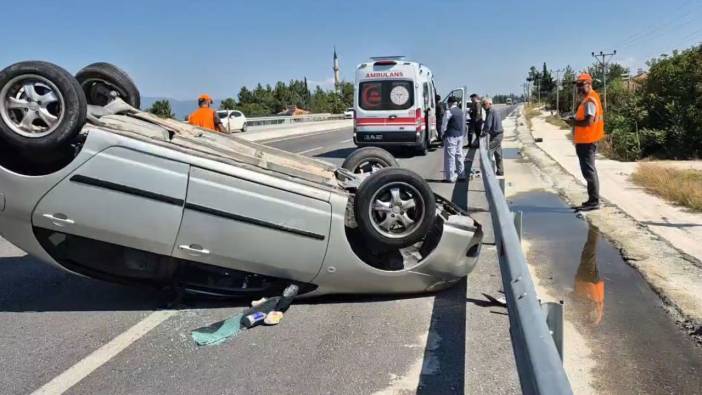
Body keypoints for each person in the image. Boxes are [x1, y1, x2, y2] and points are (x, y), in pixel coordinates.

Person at [567, 73, 604, 211]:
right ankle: (592, 200)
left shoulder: (590, 100)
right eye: (578, 85)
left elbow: (588, 121)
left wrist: (573, 122)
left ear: (588, 83)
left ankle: (594, 202)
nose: (578, 88)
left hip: (587, 141)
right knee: (589, 171)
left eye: (580, 85)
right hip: (586, 140)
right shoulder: (589, 98)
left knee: (589, 172)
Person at [441, 96, 466, 182]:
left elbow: (444, 126)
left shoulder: (448, 112)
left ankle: (450, 177)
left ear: (450, 103)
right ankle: (461, 175)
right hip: (460, 136)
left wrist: (442, 134)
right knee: (459, 155)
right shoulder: (461, 112)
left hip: (451, 136)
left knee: (450, 157)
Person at [481, 98, 504, 175]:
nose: (483, 106)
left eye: (484, 104)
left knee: (488, 152)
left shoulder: (490, 111)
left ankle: (489, 172)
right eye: (482, 105)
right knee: (498, 154)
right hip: (499, 134)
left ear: (490, 104)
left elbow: (488, 124)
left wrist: (483, 133)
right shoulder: (495, 110)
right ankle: (500, 171)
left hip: (496, 135)